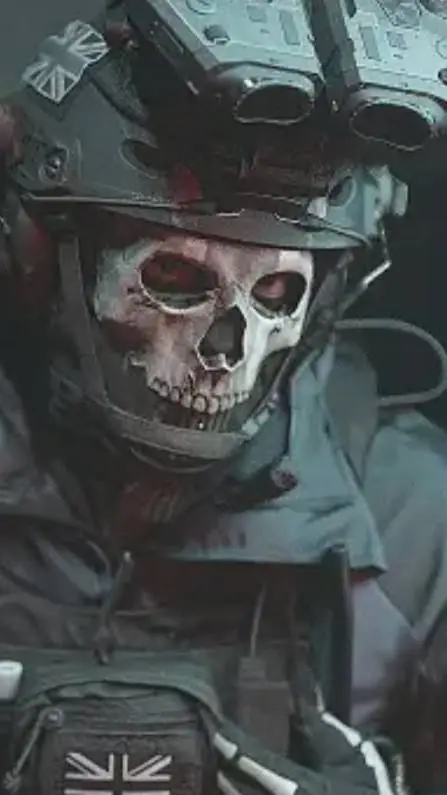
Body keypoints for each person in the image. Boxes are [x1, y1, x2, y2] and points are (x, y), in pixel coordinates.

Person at [0, 4, 447, 794]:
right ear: (45, 261)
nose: (224, 353)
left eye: (275, 293)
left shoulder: (410, 518)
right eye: (174, 278)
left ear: (321, 303)